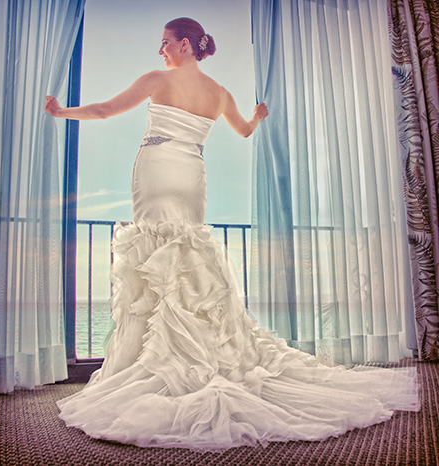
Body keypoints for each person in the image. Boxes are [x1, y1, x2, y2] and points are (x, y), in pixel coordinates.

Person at [44, 18, 418, 450]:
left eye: (165, 42)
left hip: (157, 168)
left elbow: (106, 110)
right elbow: (243, 130)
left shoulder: (156, 80)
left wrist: (60, 112)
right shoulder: (220, 93)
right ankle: (197, 350)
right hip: (192, 175)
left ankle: (158, 359)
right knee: (188, 253)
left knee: (156, 251)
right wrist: (257, 115)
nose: (160, 50)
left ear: (185, 45)